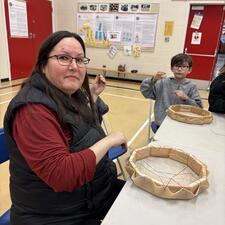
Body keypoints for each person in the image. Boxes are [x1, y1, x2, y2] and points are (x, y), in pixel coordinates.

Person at [4, 31, 127, 225]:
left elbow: (79, 131)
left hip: (91, 196)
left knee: (151, 205)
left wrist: (92, 96)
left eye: (79, 60)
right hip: (54, 214)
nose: (74, 66)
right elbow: (62, 175)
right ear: (43, 65)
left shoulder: (68, 94)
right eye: (63, 58)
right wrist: (109, 140)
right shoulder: (31, 110)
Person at [140, 53, 203, 128]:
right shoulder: (163, 82)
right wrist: (153, 80)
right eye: (177, 66)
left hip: (182, 123)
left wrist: (186, 98)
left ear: (189, 70)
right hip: (162, 123)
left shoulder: (192, 86)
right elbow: (146, 92)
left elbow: (199, 108)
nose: (179, 69)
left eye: (183, 66)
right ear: (171, 68)